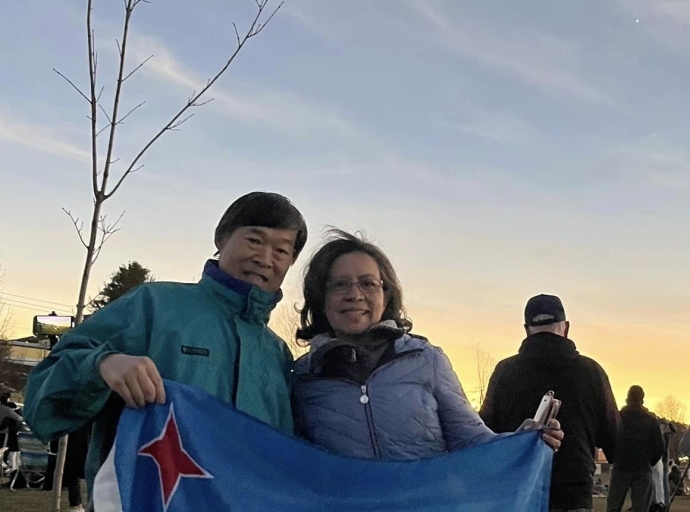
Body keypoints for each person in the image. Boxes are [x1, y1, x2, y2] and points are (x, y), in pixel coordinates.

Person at [23, 191, 308, 501]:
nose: (265, 259)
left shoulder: (278, 355)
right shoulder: (152, 307)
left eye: (281, 251)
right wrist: (103, 365)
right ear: (221, 238)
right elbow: (42, 400)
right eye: (254, 240)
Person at [291, 229, 562, 462]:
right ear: (320, 296)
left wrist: (521, 442)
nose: (355, 295)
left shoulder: (426, 360)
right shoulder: (302, 376)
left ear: (386, 295)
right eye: (340, 284)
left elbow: (471, 442)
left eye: (368, 283)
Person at [480, 294, 621, 512]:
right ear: (566, 327)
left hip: (518, 493)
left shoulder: (504, 373)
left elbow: (486, 435)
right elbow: (613, 440)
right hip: (573, 496)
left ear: (527, 329)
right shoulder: (591, 372)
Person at [606, 385, 665, 512]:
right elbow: (660, 446)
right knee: (641, 507)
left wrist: (613, 458)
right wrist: (650, 461)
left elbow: (609, 439)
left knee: (613, 506)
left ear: (627, 398)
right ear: (642, 399)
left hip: (621, 466)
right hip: (643, 468)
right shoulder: (650, 420)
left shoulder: (619, 418)